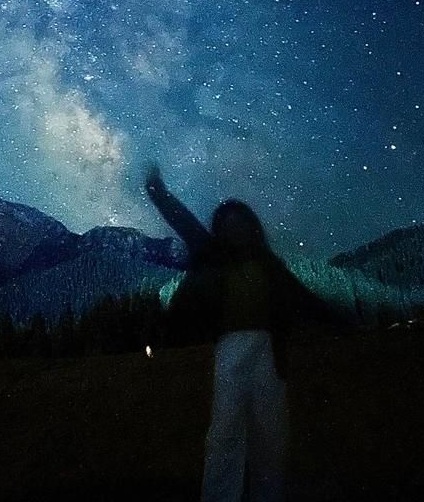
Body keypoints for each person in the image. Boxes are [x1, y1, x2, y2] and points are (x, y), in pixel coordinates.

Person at [144, 164, 337, 502]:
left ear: (252, 227)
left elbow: (302, 298)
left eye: (241, 224)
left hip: (269, 351)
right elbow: (183, 220)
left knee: (271, 433)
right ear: (221, 231)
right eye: (228, 225)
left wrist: (340, 321)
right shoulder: (212, 256)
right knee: (226, 432)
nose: (236, 230)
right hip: (231, 349)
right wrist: (158, 191)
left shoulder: (267, 264)